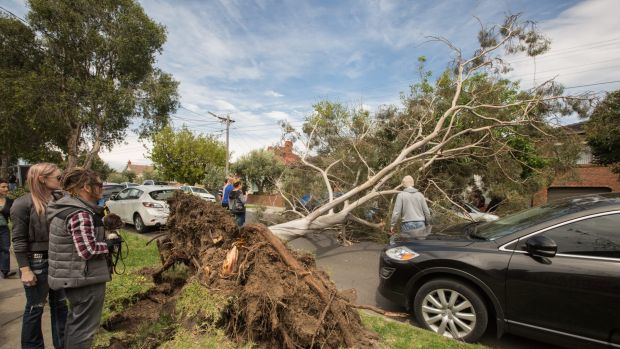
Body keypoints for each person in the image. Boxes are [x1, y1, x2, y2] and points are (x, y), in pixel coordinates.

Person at [47, 167, 111, 349]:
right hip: (84, 280)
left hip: (74, 277)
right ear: (86, 187)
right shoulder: (80, 213)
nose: (103, 188)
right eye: (99, 184)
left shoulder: (67, 207)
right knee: (84, 330)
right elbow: (87, 250)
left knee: (76, 323)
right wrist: (109, 245)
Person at [11, 163, 68, 349]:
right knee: (35, 308)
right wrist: (25, 269)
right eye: (58, 178)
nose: (61, 181)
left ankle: (63, 345)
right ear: (42, 179)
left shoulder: (60, 199)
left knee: (60, 306)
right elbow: (18, 240)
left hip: (58, 260)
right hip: (37, 262)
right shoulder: (23, 203)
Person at [390, 175, 432, 241]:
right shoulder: (420, 195)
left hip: (407, 225)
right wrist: (428, 223)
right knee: (420, 248)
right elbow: (426, 212)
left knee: (408, 247)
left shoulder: (401, 195)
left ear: (404, 184)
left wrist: (392, 225)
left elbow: (396, 213)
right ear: (413, 183)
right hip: (421, 224)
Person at [0, 179, 16, 279]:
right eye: (3, 187)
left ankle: (5, 271)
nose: (6, 189)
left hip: (4, 229)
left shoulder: (10, 201)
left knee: (5, 249)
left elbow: (13, 216)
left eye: (7, 187)